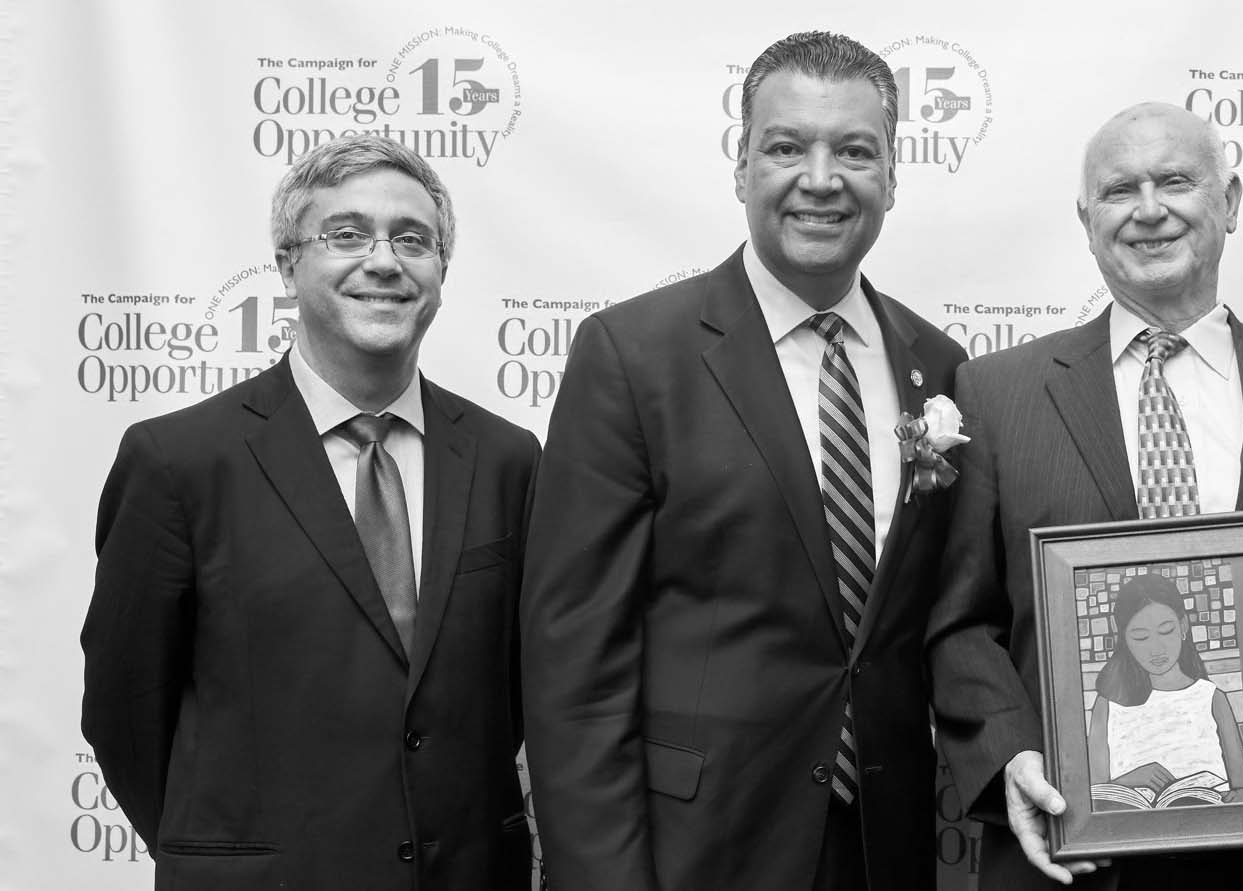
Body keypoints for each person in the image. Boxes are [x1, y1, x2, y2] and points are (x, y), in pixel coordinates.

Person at [519, 31, 968, 891]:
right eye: (787, 146)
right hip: (691, 848)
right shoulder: (633, 355)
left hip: (884, 847)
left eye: (855, 151)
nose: (821, 178)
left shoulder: (938, 368)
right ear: (741, 167)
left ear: (892, 177)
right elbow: (572, 658)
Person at [927, 101, 1243, 891]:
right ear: (1086, 220)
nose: (1148, 210)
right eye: (1119, 191)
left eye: (1175, 181)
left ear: (1229, 200)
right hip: (1073, 839)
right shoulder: (995, 393)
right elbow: (960, 619)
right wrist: (1010, 751)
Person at [79, 135, 540, 891]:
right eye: (347, 234)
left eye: (413, 239)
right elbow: (127, 711)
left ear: (441, 272)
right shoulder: (179, 461)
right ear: (289, 263)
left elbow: (520, 696)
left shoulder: (507, 459)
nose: (385, 261)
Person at [1087, 573, 1243, 806]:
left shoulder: (1211, 697)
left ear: (1183, 626)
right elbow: (1093, 795)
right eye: (1141, 637)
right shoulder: (1108, 704)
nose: (1156, 649)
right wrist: (1132, 779)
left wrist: (1238, 799)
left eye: (1166, 631)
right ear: (1123, 638)